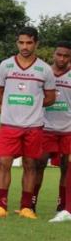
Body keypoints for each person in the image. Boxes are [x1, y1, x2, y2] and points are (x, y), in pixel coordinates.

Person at [0, 27, 56, 219]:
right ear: (17, 43)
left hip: (34, 126)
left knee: (30, 165)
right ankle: (1, 206)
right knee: (4, 163)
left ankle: (26, 207)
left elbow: (50, 97)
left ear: (36, 44)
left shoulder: (44, 69)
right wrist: (12, 106)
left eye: (29, 42)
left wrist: (32, 105)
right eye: (21, 42)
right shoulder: (6, 66)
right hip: (9, 124)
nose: (25, 46)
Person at [41, 42, 71, 222]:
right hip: (45, 128)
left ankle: (63, 206)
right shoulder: (44, 72)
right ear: (54, 54)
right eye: (59, 55)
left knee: (66, 169)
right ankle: (30, 206)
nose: (62, 59)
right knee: (38, 165)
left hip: (68, 130)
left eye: (66, 56)